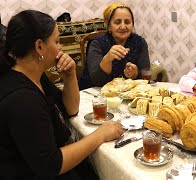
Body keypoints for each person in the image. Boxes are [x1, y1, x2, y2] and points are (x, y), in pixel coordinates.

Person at [0, 10, 124, 179]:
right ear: (39, 46)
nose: (60, 47)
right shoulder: (22, 99)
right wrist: (100, 134)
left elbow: (71, 109)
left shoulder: (35, 76)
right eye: (57, 41)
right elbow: (50, 165)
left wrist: (70, 75)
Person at [78, 3, 151, 90]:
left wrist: (135, 74)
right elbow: (97, 81)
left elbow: (145, 74)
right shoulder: (96, 43)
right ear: (109, 26)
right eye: (117, 22)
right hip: (94, 94)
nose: (123, 27)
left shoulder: (140, 42)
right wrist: (107, 59)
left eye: (127, 22)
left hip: (126, 94)